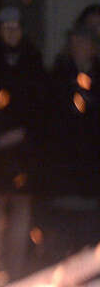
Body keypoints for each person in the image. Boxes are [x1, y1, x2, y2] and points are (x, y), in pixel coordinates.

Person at [0, 6, 46, 276]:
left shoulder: (33, 60)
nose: (10, 32)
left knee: (21, 210)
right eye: (5, 27)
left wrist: (24, 133)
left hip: (24, 151)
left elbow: (42, 106)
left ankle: (15, 272)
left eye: (15, 27)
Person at [47, 24, 100, 198]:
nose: (78, 47)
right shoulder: (61, 71)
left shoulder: (96, 73)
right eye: (74, 43)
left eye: (83, 42)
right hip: (65, 144)